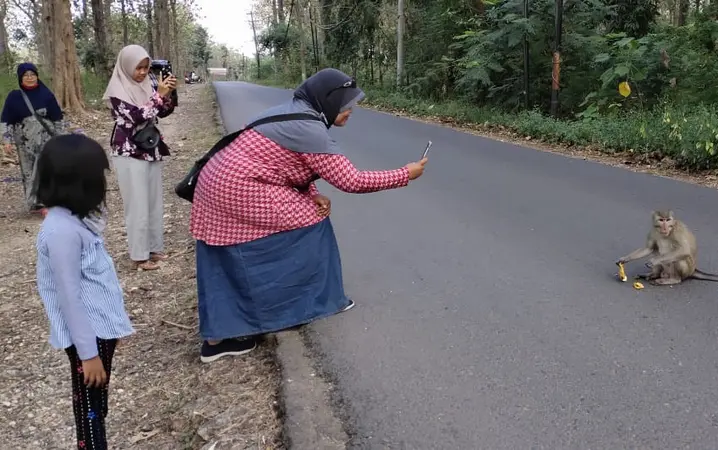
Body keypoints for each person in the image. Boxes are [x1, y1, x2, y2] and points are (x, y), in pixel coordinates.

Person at [189, 68, 428, 363]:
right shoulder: (309, 128)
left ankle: (219, 336)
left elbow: (292, 163)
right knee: (312, 222)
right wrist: (405, 174)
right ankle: (299, 306)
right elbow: (351, 181)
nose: (351, 110)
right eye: (345, 103)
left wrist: (312, 193)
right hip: (241, 189)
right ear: (327, 100)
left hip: (216, 185)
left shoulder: (293, 113)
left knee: (233, 250)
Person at [34, 133, 134, 450]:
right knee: (89, 417)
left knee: (96, 406)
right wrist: (89, 354)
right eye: (98, 178)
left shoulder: (73, 219)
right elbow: (69, 296)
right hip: (88, 339)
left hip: (99, 332)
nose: (104, 185)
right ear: (79, 185)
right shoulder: (61, 231)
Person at [103, 44, 177, 271]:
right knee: (137, 204)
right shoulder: (117, 91)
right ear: (126, 67)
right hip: (128, 150)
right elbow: (134, 117)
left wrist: (169, 93)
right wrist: (158, 97)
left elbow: (162, 111)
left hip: (151, 147)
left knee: (154, 201)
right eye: (138, 68)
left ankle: (154, 248)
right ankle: (138, 255)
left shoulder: (150, 84)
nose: (143, 73)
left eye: (146, 68)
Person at [1, 62, 65, 216]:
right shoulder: (13, 97)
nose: (30, 78)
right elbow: (5, 120)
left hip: (45, 138)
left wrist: (61, 138)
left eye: (33, 74)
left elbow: (57, 118)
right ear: (20, 78)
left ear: (37, 76)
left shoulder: (46, 94)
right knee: (28, 172)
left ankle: (49, 202)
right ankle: (34, 204)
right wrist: (7, 140)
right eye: (26, 75)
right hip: (24, 141)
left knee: (46, 168)